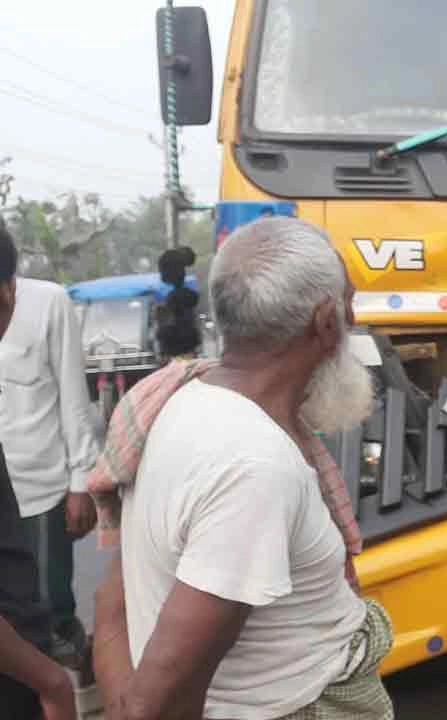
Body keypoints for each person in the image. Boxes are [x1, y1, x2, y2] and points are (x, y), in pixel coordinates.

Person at [92, 217, 391, 719]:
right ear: (325, 322)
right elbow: (152, 707)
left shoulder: (174, 402)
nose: (353, 319)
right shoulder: (254, 466)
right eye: (349, 302)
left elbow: (110, 607)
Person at [0, 224, 100, 666]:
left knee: (50, 611)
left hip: (39, 490)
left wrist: (81, 482)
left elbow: (73, 398)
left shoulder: (49, 302)